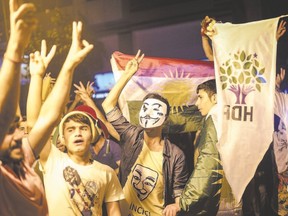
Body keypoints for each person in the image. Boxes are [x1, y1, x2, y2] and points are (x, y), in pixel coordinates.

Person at [102, 50, 189, 216]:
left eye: (156, 110)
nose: (149, 113)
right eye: (146, 108)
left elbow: (179, 193)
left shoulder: (176, 155)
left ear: (166, 119)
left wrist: (176, 205)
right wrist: (127, 74)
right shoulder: (131, 135)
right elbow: (108, 106)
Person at [172, 79, 241, 215]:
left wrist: (185, 201)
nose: (197, 103)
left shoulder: (214, 119)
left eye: (201, 97)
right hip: (234, 197)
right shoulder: (232, 116)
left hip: (219, 201)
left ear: (214, 98)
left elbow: (209, 163)